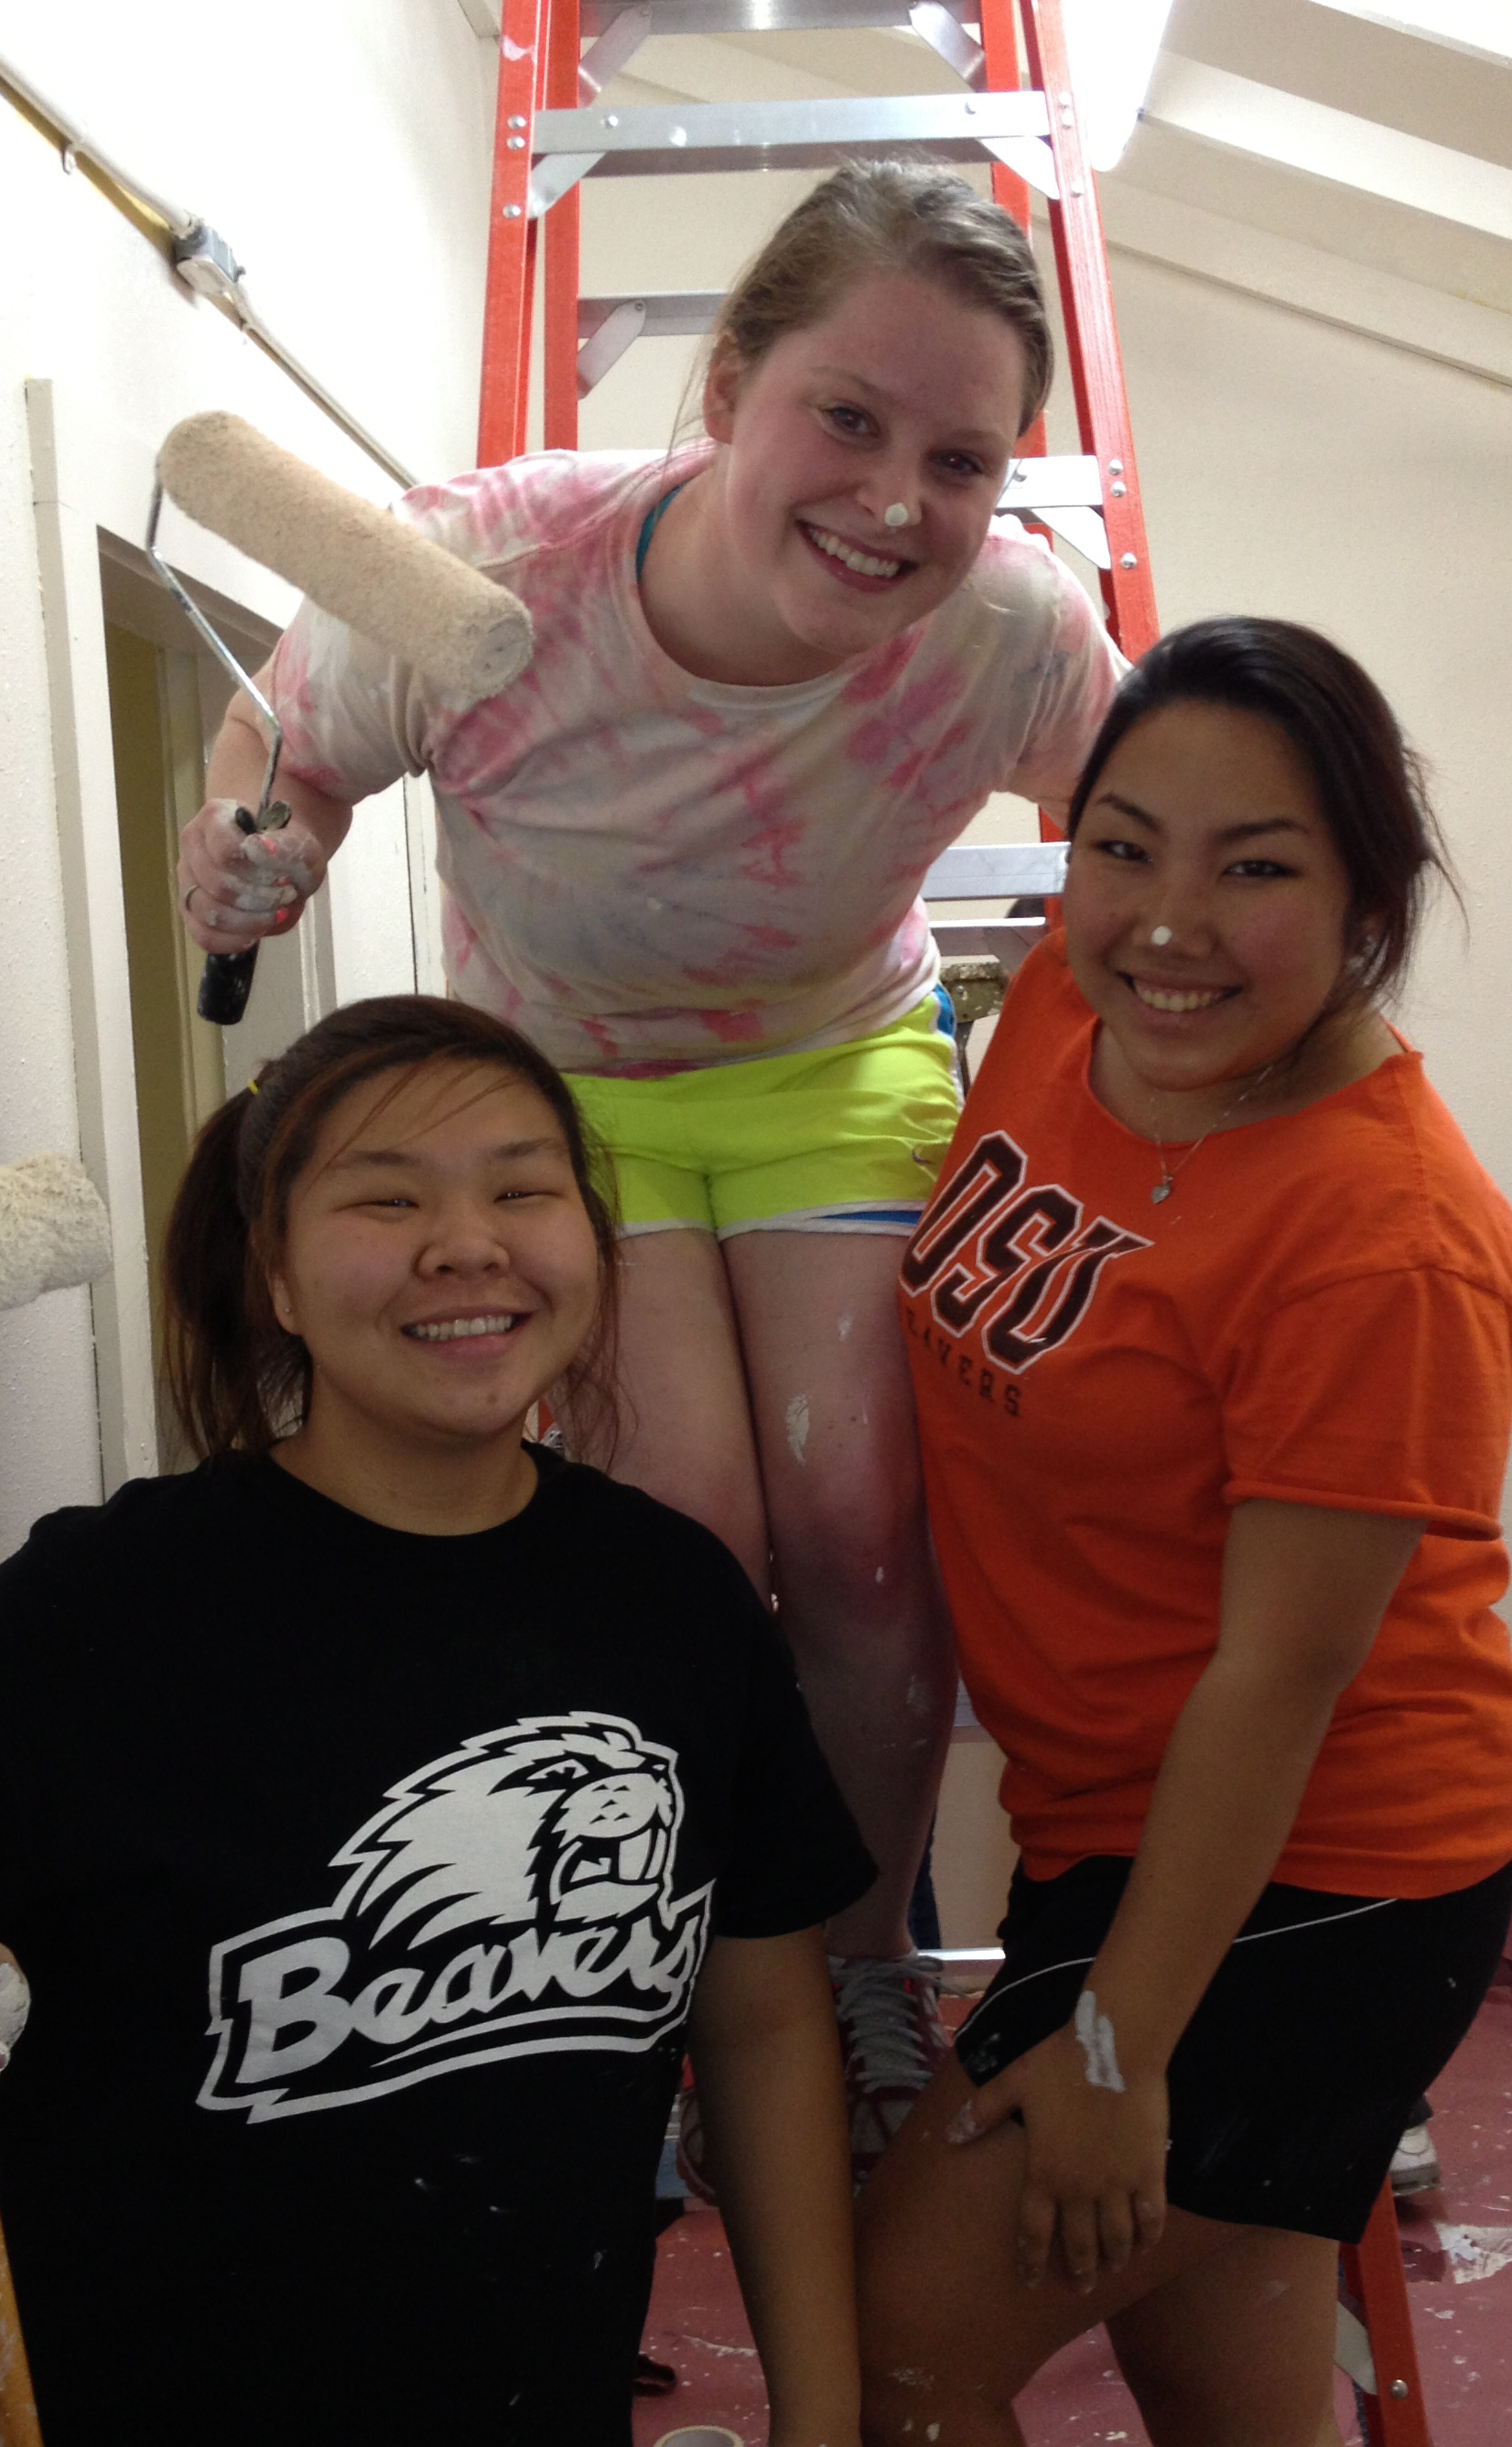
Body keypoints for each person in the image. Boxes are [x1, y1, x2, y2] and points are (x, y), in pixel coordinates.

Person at [0, 995, 878, 2447]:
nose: (466, 1244)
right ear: (277, 1274)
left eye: (521, 1189)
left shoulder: (674, 1609)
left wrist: (819, 2427)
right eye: (387, 1198)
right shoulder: (105, 1611)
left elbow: (765, 2026)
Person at [177, 165, 1123, 2163]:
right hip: (558, 1090)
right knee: (688, 1528)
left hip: (830, 1064)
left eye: (961, 460)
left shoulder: (1014, 632)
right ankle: (694, 1978)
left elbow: (1154, 811)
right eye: (846, 417)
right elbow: (287, 756)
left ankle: (858, 1964)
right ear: (726, 389)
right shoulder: (488, 573)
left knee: (862, 1513)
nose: (896, 500)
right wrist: (251, 853)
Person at [822, 621, 1512, 2447]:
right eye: (1126, 847)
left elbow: (1280, 1680)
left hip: (1318, 1875)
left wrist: (1120, 2050)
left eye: (1257, 868)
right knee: (1235, 2394)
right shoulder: (1074, 1010)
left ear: (1369, 895)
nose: (1168, 922)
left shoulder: (1384, 1236)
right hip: (1119, 1830)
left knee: (909, 2338)